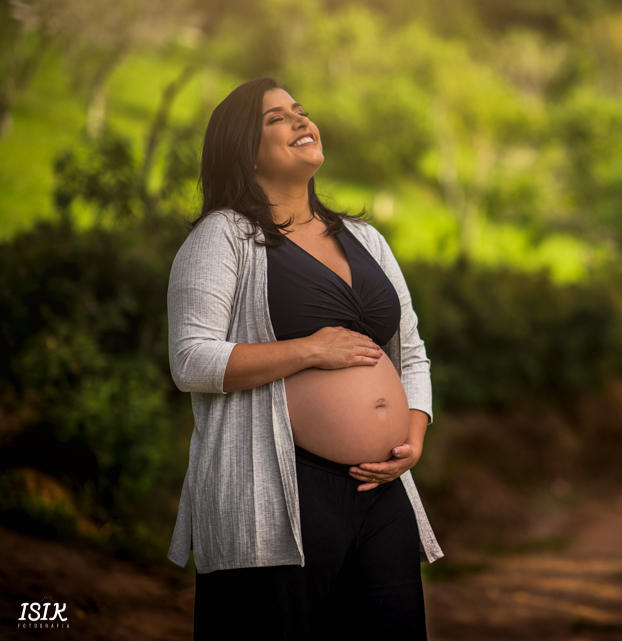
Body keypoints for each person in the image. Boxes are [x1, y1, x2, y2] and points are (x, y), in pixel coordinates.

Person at [165, 77, 442, 640]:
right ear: (244, 149)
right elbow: (191, 359)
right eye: (276, 119)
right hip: (277, 487)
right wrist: (312, 349)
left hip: (381, 491)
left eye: (301, 112)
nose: (299, 121)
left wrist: (412, 436)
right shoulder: (224, 237)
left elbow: (410, 353)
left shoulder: (367, 240)